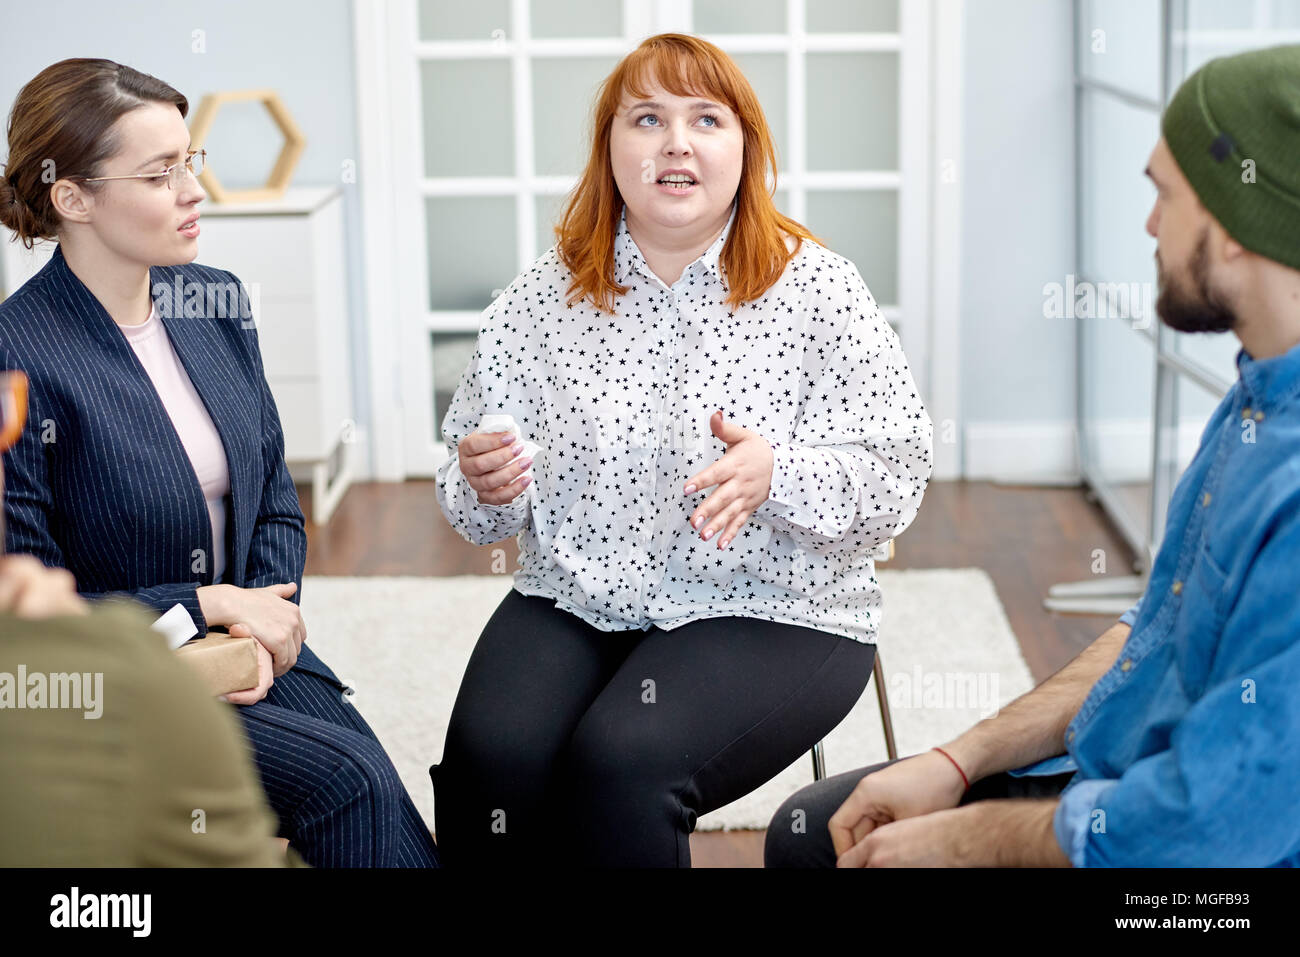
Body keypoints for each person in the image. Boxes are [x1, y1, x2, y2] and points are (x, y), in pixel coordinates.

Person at [764, 43, 1300, 868]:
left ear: (1233, 225)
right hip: (1120, 782)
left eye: (1165, 195)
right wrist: (960, 759)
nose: (1149, 225)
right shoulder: (1255, 400)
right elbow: (1152, 635)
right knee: (816, 827)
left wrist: (965, 841)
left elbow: (1213, 830)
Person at [431, 33, 933, 867]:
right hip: (581, 591)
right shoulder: (539, 298)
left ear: (745, 147)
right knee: (492, 764)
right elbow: (473, 499)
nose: (676, 142)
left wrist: (779, 472)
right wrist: (484, 485)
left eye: (707, 118)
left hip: (775, 601)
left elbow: (898, 474)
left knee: (621, 763)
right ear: (610, 149)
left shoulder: (819, 290)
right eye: (647, 119)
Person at [0, 58, 437, 867]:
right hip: (116, 682)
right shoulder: (16, 357)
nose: (195, 190)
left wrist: (263, 619)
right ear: (73, 198)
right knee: (352, 781)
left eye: (189, 161)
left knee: (377, 781)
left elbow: (272, 490)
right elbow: (33, 620)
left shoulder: (217, 301)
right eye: (160, 173)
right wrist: (205, 605)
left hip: (246, 645)